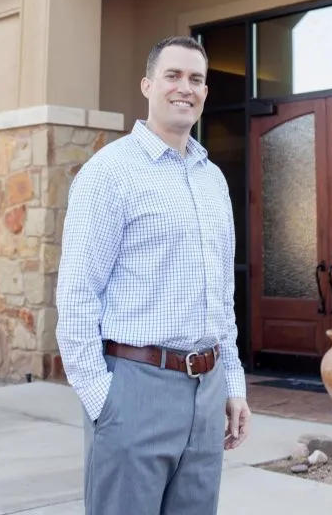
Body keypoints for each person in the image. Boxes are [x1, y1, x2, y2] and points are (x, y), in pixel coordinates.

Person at [56, 35, 250, 515]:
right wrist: (104, 400)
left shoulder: (212, 179)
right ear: (147, 85)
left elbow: (220, 296)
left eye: (197, 79)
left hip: (206, 393)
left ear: (205, 92)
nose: (186, 88)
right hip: (134, 388)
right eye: (174, 75)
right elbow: (78, 294)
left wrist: (232, 384)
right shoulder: (109, 173)